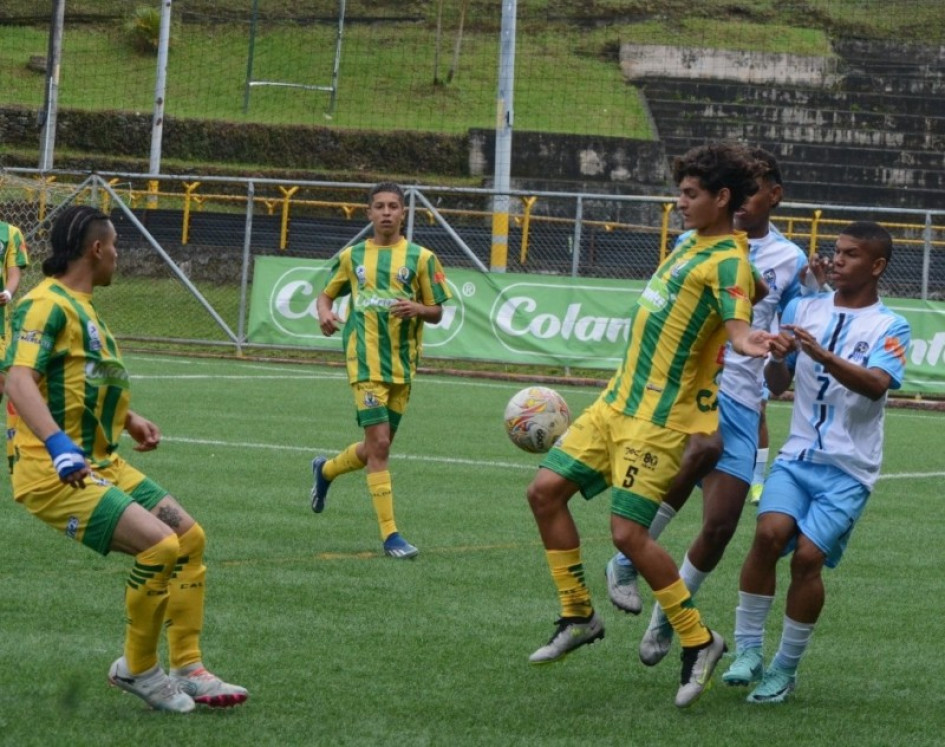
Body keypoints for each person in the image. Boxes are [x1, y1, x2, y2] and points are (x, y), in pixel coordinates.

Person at [524, 142, 773, 708]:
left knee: (628, 537)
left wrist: (744, 336)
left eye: (690, 194)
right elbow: (748, 289)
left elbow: (737, 320)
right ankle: (577, 616)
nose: (679, 202)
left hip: (659, 419)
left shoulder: (726, 259)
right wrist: (749, 299)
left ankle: (699, 640)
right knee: (544, 493)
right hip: (615, 403)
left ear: (722, 198)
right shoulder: (695, 245)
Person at [5, 205, 248, 713]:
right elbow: (17, 379)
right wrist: (57, 446)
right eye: (116, 245)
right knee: (159, 546)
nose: (119, 255)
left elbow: (77, 378)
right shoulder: (43, 304)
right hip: (53, 472)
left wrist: (129, 417)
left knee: (189, 539)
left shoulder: (82, 305)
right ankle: (137, 669)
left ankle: (188, 666)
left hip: (102, 461)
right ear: (96, 249)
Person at [604, 149, 815, 668]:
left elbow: (787, 342)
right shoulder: (691, 242)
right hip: (692, 388)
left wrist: (779, 365)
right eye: (736, 189)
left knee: (720, 526)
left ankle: (665, 617)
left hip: (745, 397)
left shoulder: (792, 262)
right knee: (702, 446)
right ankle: (627, 557)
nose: (743, 199)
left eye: (754, 187)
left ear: (773, 196)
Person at [722, 221, 909, 703]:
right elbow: (778, 384)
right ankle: (747, 652)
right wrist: (781, 357)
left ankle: (784, 668)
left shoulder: (892, 325)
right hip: (798, 454)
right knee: (767, 535)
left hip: (849, 468)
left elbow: (876, 385)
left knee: (808, 559)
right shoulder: (804, 309)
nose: (837, 260)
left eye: (850, 254)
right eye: (837, 251)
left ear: (877, 266)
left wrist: (822, 355)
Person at [309, 182, 452, 559]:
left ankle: (325, 472)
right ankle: (391, 536)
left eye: (393, 206)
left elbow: (437, 311)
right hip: (365, 363)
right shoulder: (352, 256)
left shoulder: (422, 258)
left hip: (403, 367)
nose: (386, 212)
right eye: (379, 206)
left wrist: (418, 309)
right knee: (382, 447)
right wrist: (325, 313)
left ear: (404, 213)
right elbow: (326, 295)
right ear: (369, 213)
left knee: (374, 447)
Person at [0, 218, 30, 470]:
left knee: (1, 381)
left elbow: (13, 273)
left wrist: (8, 293)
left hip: (0, 326)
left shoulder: (10, 233)